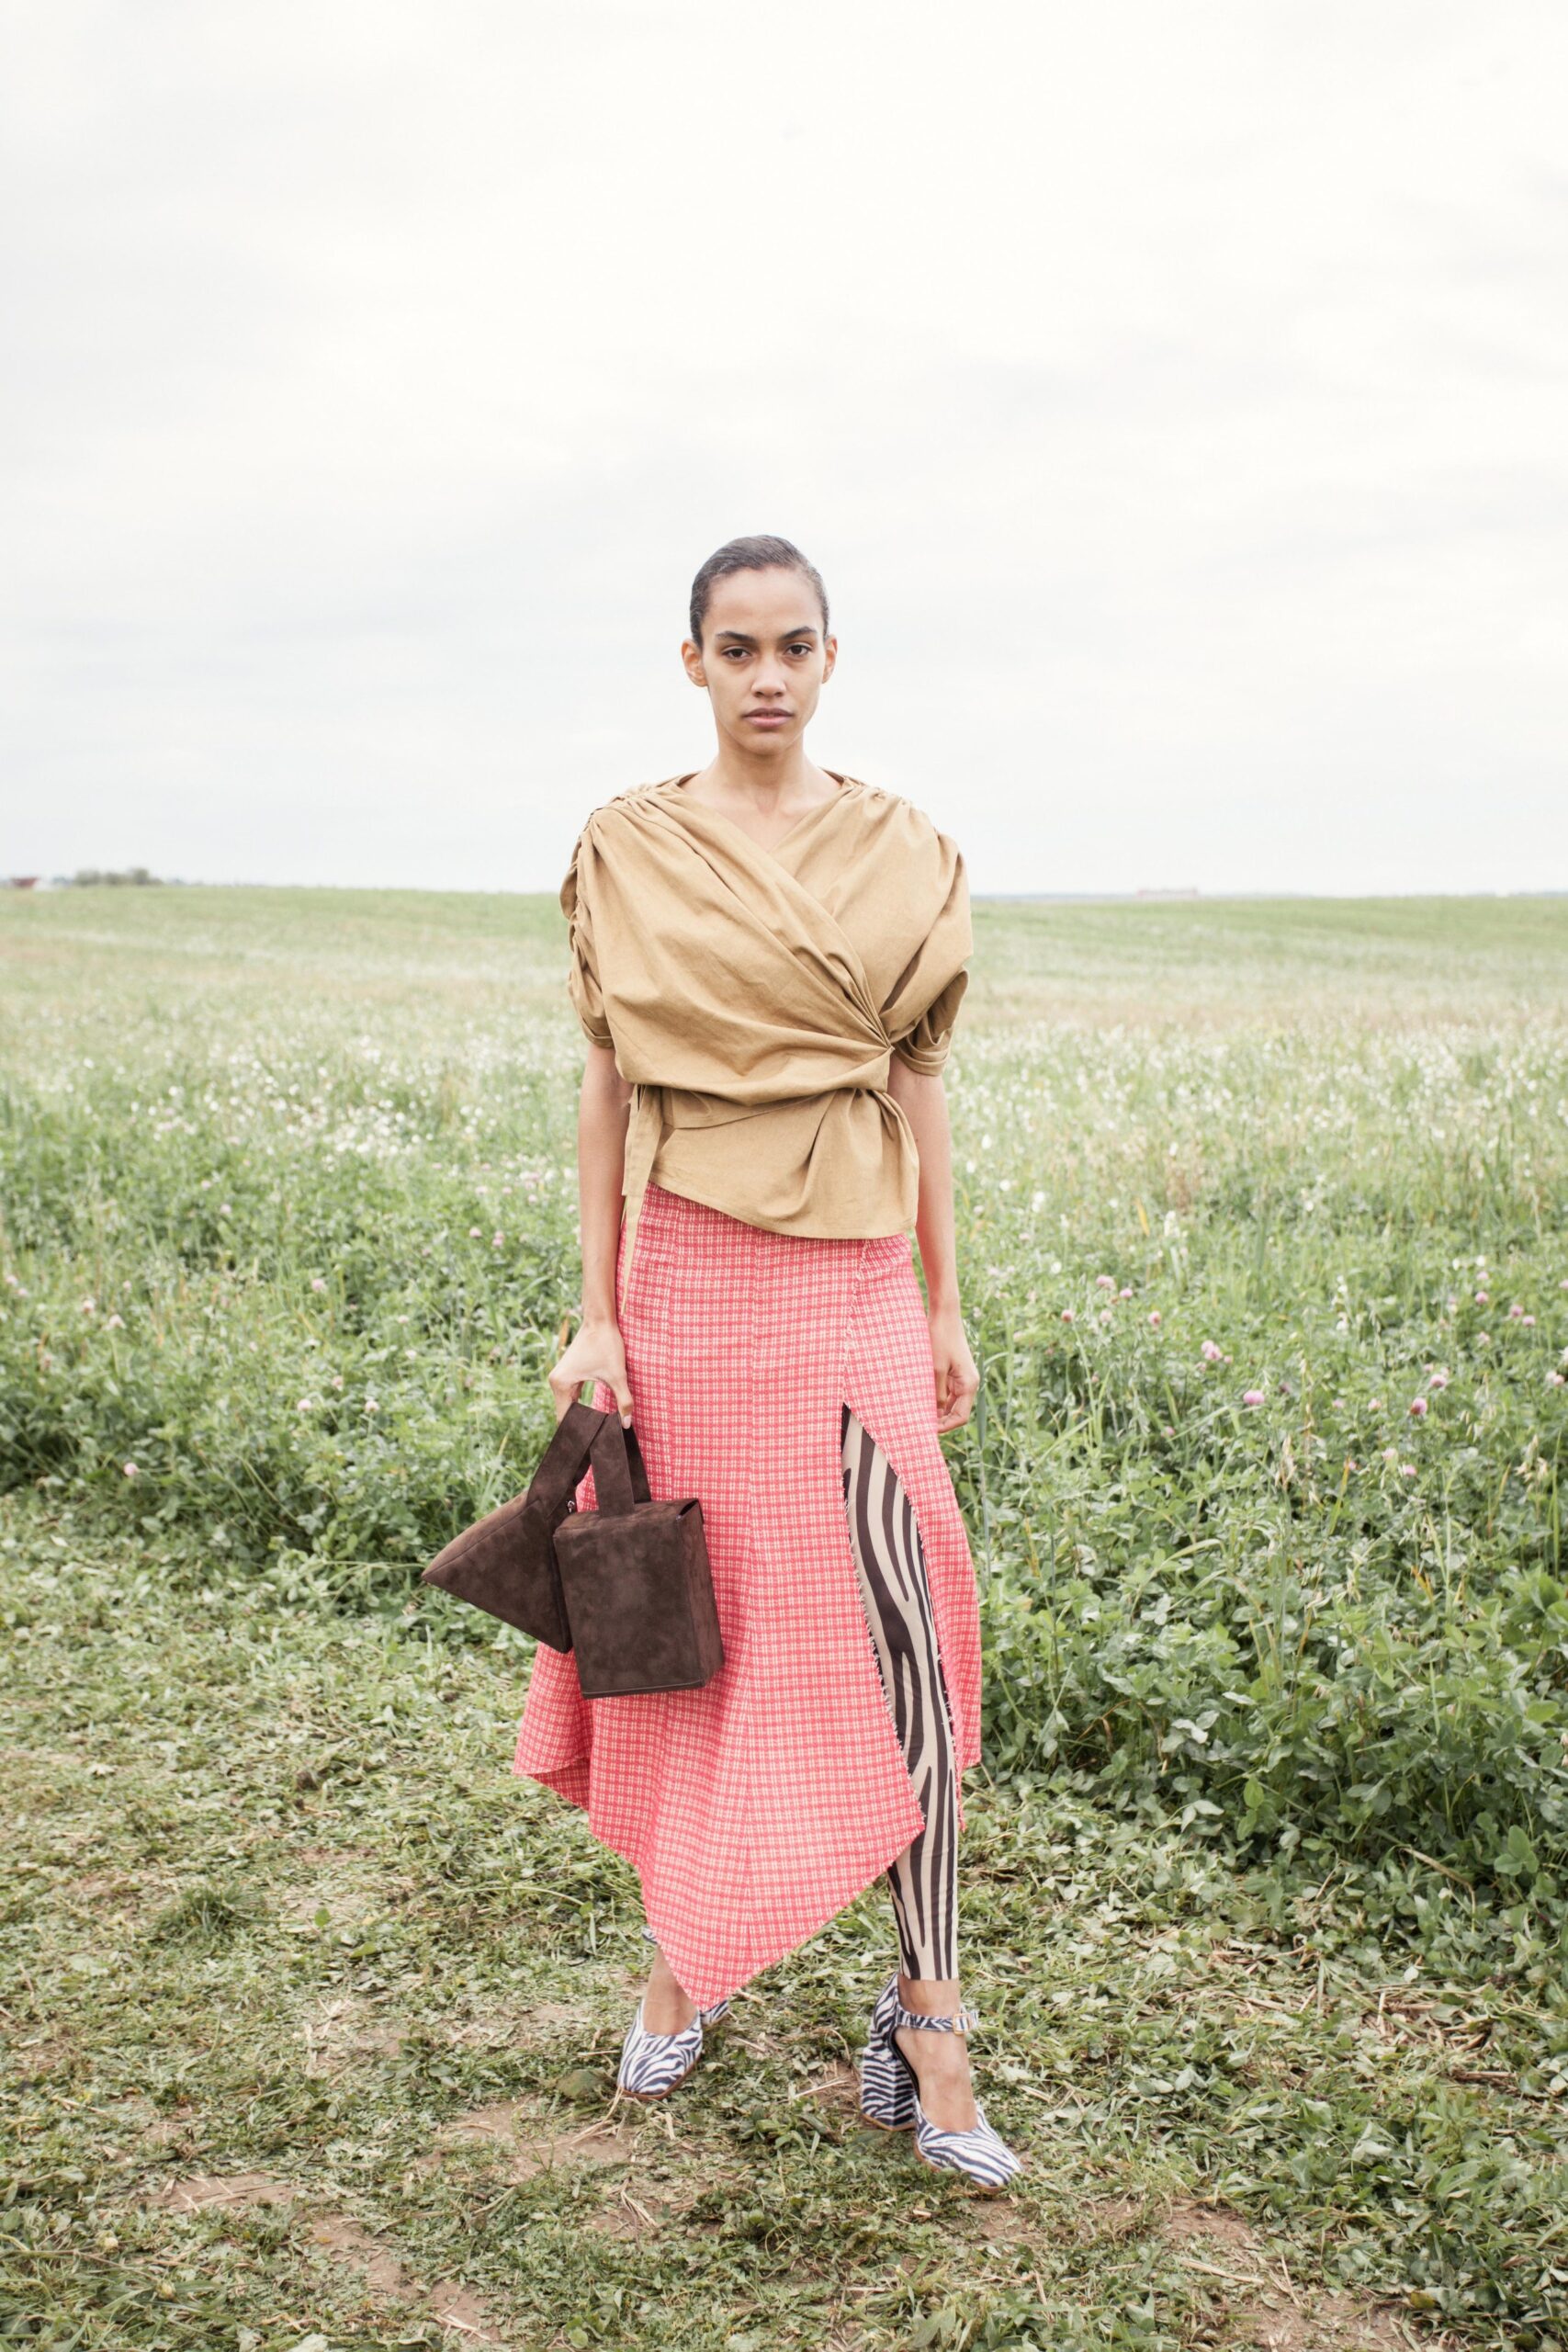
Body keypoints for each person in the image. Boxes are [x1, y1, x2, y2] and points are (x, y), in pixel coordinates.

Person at [512, 534, 1021, 2193]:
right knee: (696, 1631)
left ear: (828, 658)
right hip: (691, 1282)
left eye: (794, 646)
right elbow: (607, 1086)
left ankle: (927, 2017)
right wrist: (597, 1310)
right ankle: (687, 1955)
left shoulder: (904, 850)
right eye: (737, 649)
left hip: (857, 1278)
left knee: (905, 1633)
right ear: (694, 663)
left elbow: (919, 1083)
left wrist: (944, 1299)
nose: (768, 676)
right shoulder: (628, 847)